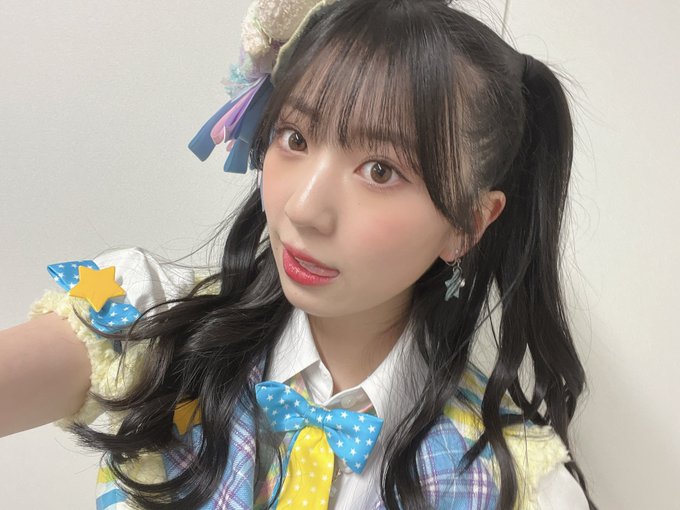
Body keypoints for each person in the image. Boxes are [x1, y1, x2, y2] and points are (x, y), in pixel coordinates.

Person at [0, 0, 598, 508]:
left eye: (380, 170)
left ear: (468, 223)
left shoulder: (514, 484)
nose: (304, 208)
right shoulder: (156, 328)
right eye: (295, 137)